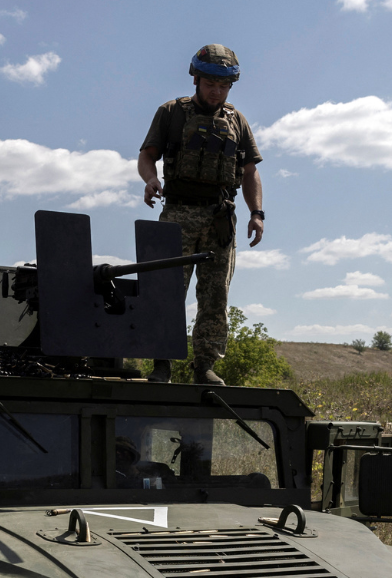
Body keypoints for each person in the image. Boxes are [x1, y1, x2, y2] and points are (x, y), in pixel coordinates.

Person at [137, 44, 264, 385]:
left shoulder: (237, 121)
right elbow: (147, 156)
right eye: (210, 83)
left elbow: (250, 171)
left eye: (223, 86)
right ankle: (161, 364)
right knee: (166, 291)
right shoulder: (171, 112)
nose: (216, 91)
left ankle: (204, 366)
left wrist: (257, 213)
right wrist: (151, 180)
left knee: (215, 296)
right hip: (178, 212)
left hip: (219, 218)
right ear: (196, 79)